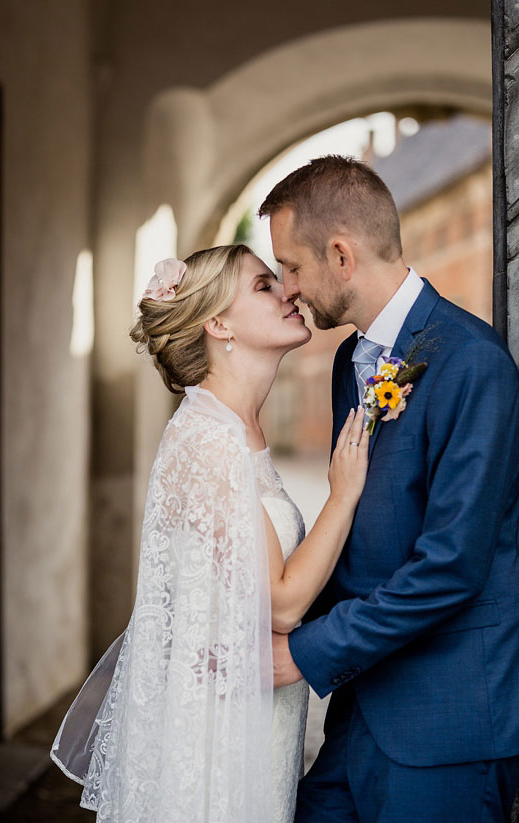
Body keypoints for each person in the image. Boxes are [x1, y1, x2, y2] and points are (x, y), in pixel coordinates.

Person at [51, 244, 370, 821]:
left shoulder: (231, 428)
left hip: (256, 716)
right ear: (218, 324)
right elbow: (280, 603)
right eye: (263, 286)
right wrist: (343, 494)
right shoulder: (208, 439)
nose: (288, 291)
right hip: (219, 733)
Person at [260, 155, 519, 821]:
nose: (287, 288)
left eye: (291, 266)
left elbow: (452, 566)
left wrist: (306, 651)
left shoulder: (474, 363)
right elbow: (370, 534)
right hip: (361, 711)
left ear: (341, 254)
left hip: (445, 723)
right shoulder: (351, 363)